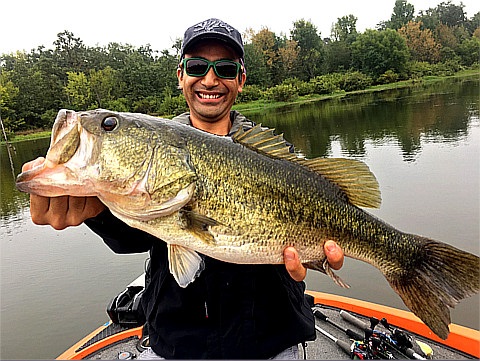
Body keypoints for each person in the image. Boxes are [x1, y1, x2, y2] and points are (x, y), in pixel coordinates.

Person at [22, 18, 344, 359]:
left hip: (269, 339)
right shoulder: (161, 147)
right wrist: (96, 211)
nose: (210, 79)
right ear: (181, 75)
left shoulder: (275, 159)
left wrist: (315, 256)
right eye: (197, 66)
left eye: (224, 68)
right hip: (178, 342)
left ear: (241, 80)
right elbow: (132, 237)